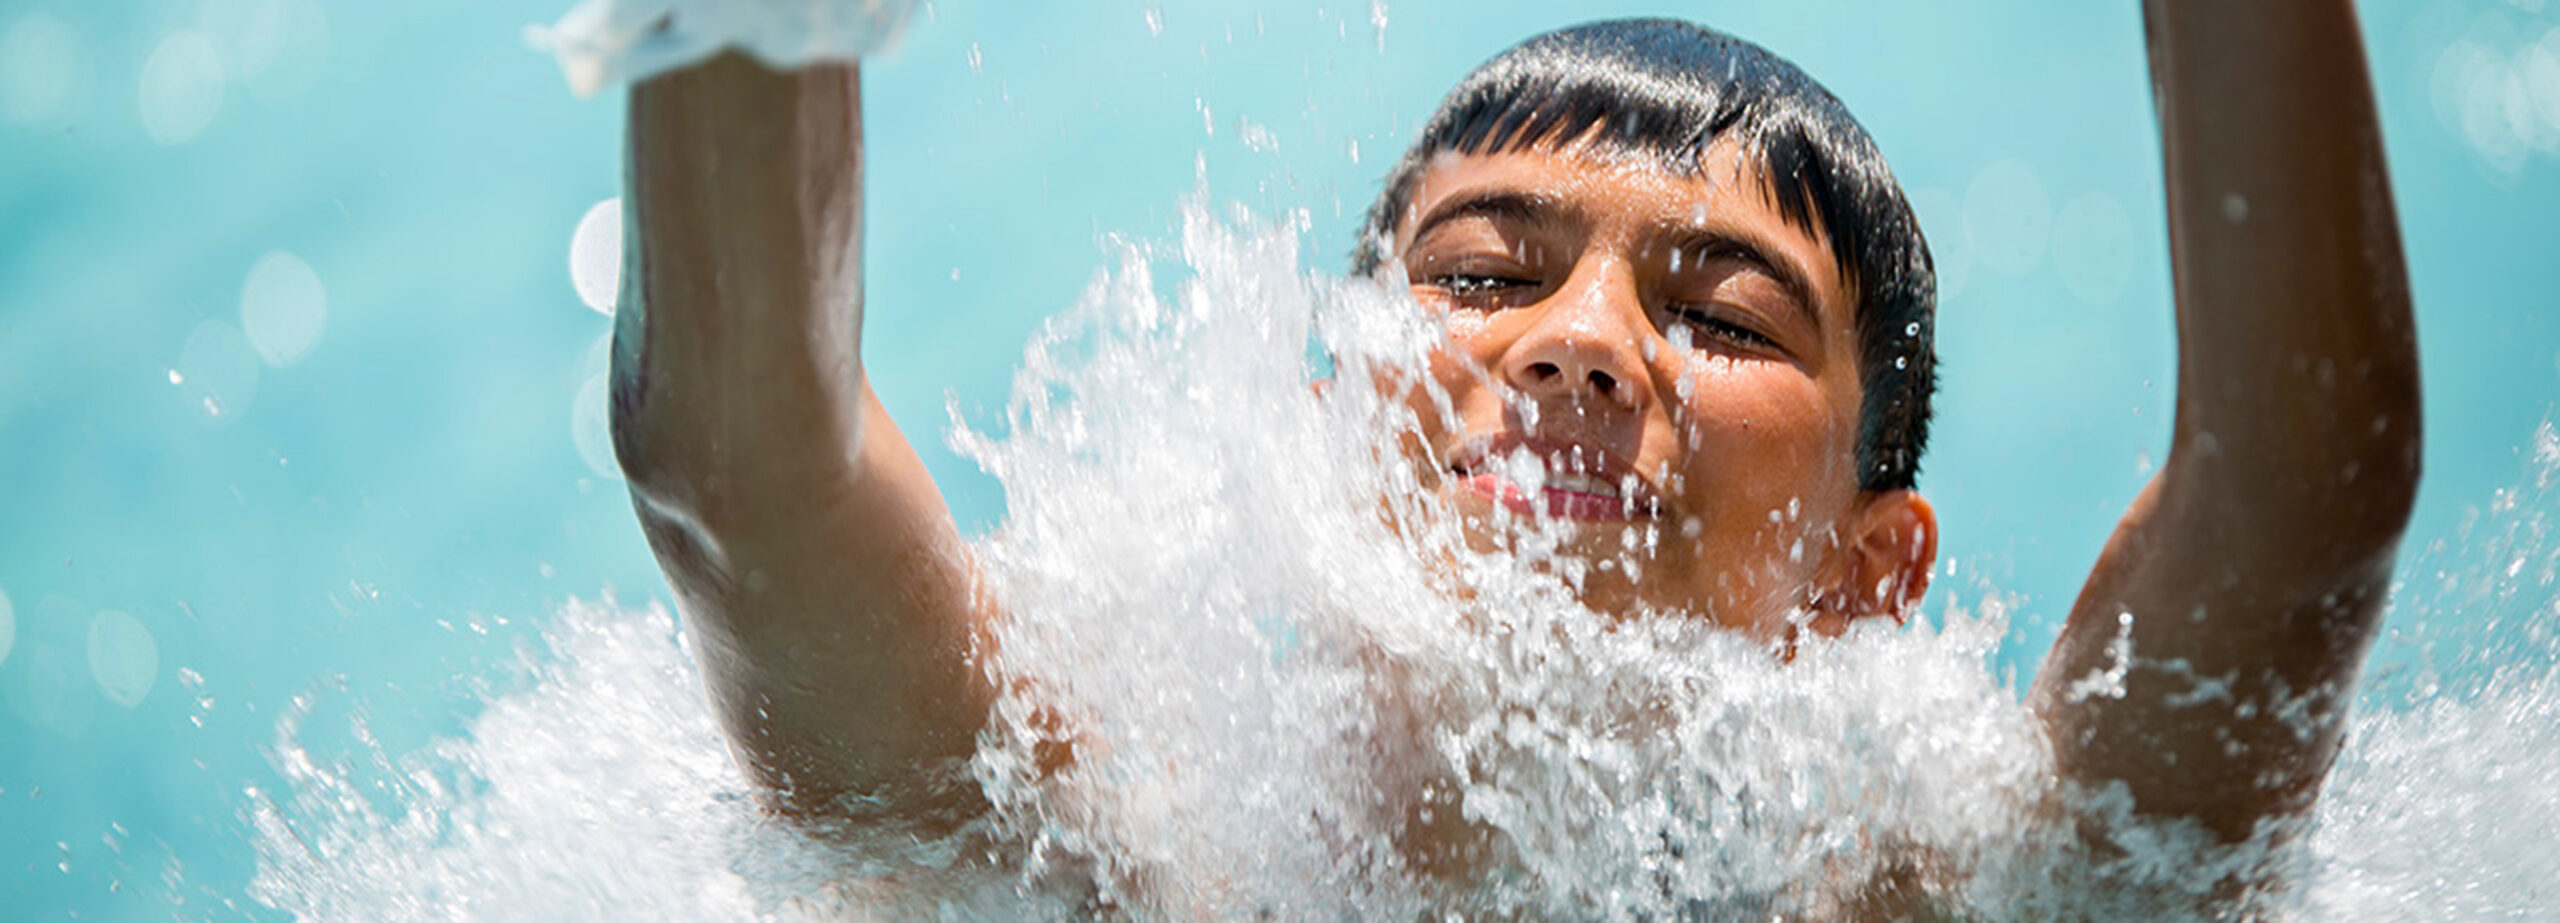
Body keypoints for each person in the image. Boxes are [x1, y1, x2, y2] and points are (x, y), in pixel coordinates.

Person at [606, 0, 2418, 909]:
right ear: (1325, 435)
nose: (1576, 344)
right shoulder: (1097, 877)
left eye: (1722, 317)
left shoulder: (1976, 899)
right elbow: (740, 470)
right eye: (1481, 276)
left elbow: (2299, 484)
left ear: (1873, 575)